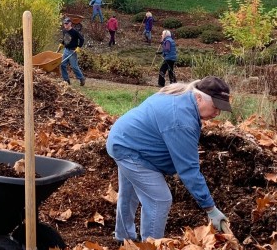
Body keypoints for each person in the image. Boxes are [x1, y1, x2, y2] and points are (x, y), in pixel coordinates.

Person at [106, 76, 231, 244]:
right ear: (199, 97)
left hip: (125, 138)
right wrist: (210, 208)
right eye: (215, 106)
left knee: (129, 193)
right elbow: (188, 169)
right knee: (160, 199)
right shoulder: (181, 120)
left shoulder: (182, 96)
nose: (217, 113)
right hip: (130, 149)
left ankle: (123, 238)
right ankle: (150, 246)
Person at [58, 17, 85, 86]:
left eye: (67, 24)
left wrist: (79, 47)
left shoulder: (74, 32)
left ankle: (81, 78)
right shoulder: (64, 31)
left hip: (72, 51)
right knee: (62, 65)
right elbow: (66, 38)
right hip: (66, 50)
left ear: (70, 23)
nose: (65, 25)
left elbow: (82, 39)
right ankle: (66, 80)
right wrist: (62, 43)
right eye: (64, 24)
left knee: (74, 67)